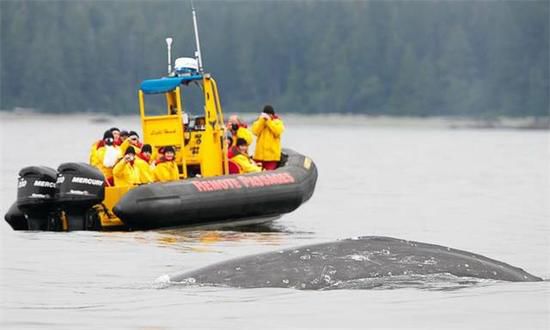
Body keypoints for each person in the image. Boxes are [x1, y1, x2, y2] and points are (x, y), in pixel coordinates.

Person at [251, 105, 284, 170]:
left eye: (269, 114)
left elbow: (277, 131)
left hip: (272, 157)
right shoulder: (259, 122)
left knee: (269, 173)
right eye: (266, 114)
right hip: (259, 156)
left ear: (272, 114)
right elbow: (255, 131)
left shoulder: (278, 122)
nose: (267, 116)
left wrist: (268, 122)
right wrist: (262, 121)